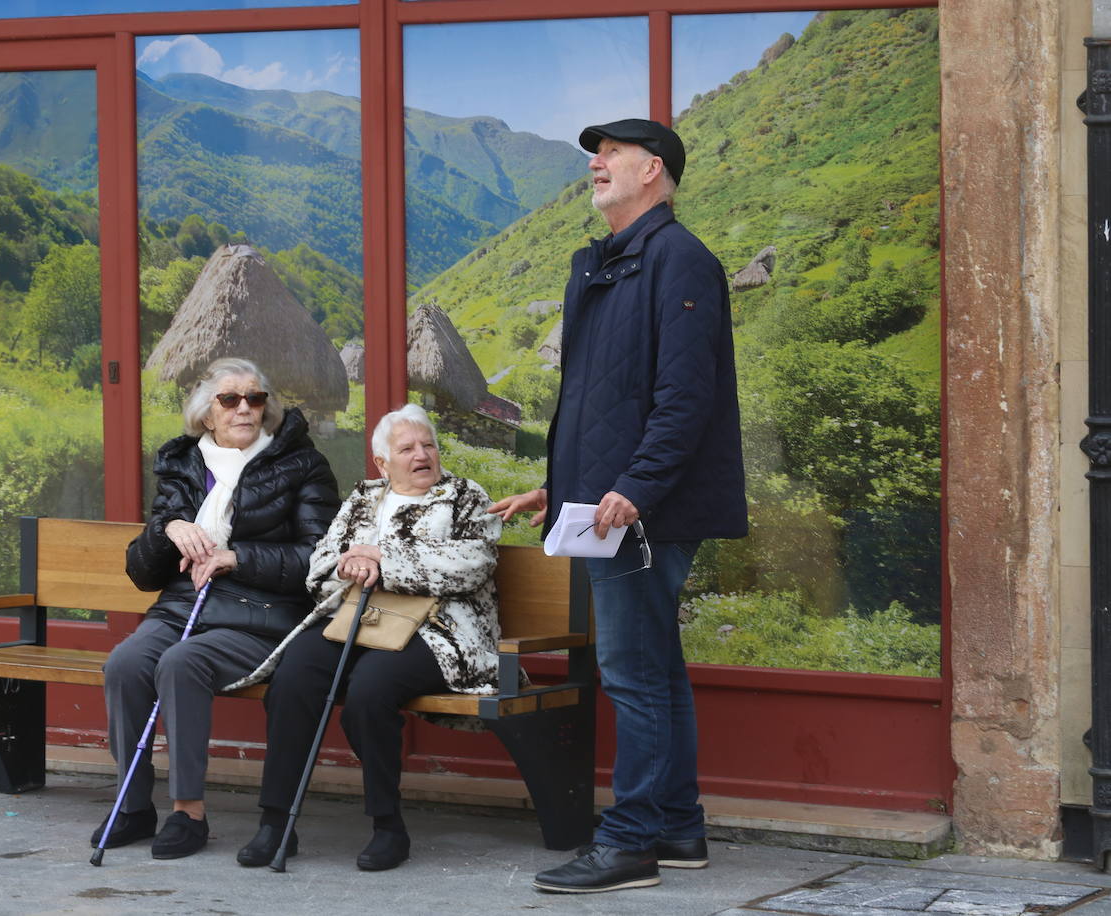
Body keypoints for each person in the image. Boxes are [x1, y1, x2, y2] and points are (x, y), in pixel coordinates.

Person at [489, 118, 747, 894]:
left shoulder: (680, 261)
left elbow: (683, 400)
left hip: (646, 510)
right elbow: (595, 401)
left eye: (612, 153)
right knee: (656, 672)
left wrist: (634, 488)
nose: (595, 162)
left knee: (632, 675)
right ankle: (676, 830)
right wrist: (556, 483)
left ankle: (631, 841)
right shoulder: (606, 265)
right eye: (594, 155)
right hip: (611, 503)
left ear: (654, 171)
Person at [229, 403, 503, 872]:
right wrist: (345, 565)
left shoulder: (464, 496)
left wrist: (384, 560)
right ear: (383, 462)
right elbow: (319, 566)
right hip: (356, 620)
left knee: (370, 691)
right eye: (407, 448)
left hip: (439, 630)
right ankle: (276, 823)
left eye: (428, 445)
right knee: (293, 679)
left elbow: (473, 563)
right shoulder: (362, 498)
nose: (422, 454)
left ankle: (388, 825)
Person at [93, 357, 339, 859]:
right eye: (230, 399)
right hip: (182, 609)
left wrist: (237, 557)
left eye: (255, 398)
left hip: (259, 614)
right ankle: (133, 805)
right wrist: (167, 531)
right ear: (207, 414)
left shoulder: (303, 464)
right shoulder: (184, 465)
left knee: (183, 663)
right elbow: (143, 573)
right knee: (125, 663)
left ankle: (188, 813)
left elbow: (320, 559)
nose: (245, 408)